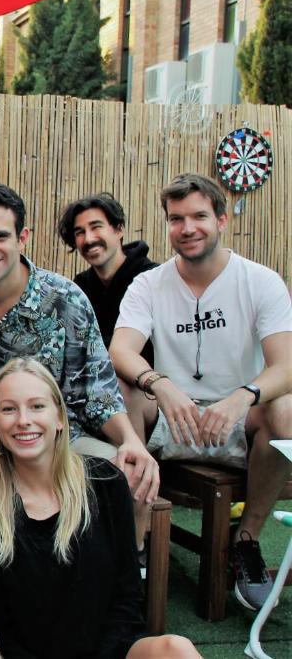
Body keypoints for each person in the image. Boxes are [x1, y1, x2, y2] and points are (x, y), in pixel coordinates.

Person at [0, 182, 158, 557]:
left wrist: (130, 441)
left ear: (22, 237)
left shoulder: (65, 299)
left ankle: (129, 574)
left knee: (122, 474)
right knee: (1, 486)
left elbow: (98, 389)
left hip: (58, 434)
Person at [110, 173, 292, 611]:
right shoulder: (148, 284)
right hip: (173, 422)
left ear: (222, 220)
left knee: (284, 406)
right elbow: (120, 349)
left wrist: (242, 396)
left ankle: (246, 541)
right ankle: (138, 539)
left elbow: (286, 365)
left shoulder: (261, 281)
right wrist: (160, 383)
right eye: (176, 219)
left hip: (237, 424)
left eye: (198, 216)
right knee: (127, 388)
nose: (187, 228)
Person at [0, 358, 199, 659]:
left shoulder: (104, 483)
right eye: (9, 409)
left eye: (37, 406)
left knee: (176, 649)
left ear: (59, 417)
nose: (23, 420)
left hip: (110, 652)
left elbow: (127, 597)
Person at [57, 192, 156, 359]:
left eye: (96, 227)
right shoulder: (78, 289)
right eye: (80, 232)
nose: (88, 239)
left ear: (119, 229)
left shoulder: (151, 278)